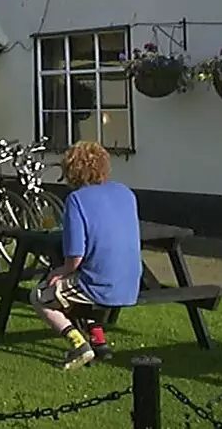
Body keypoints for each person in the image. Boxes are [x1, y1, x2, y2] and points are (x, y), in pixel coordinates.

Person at [32, 140, 140, 370]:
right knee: (80, 285)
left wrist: (60, 271)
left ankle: (78, 344)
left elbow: (75, 255)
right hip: (131, 282)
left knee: (42, 295)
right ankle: (98, 338)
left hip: (102, 284)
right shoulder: (126, 193)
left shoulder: (77, 200)